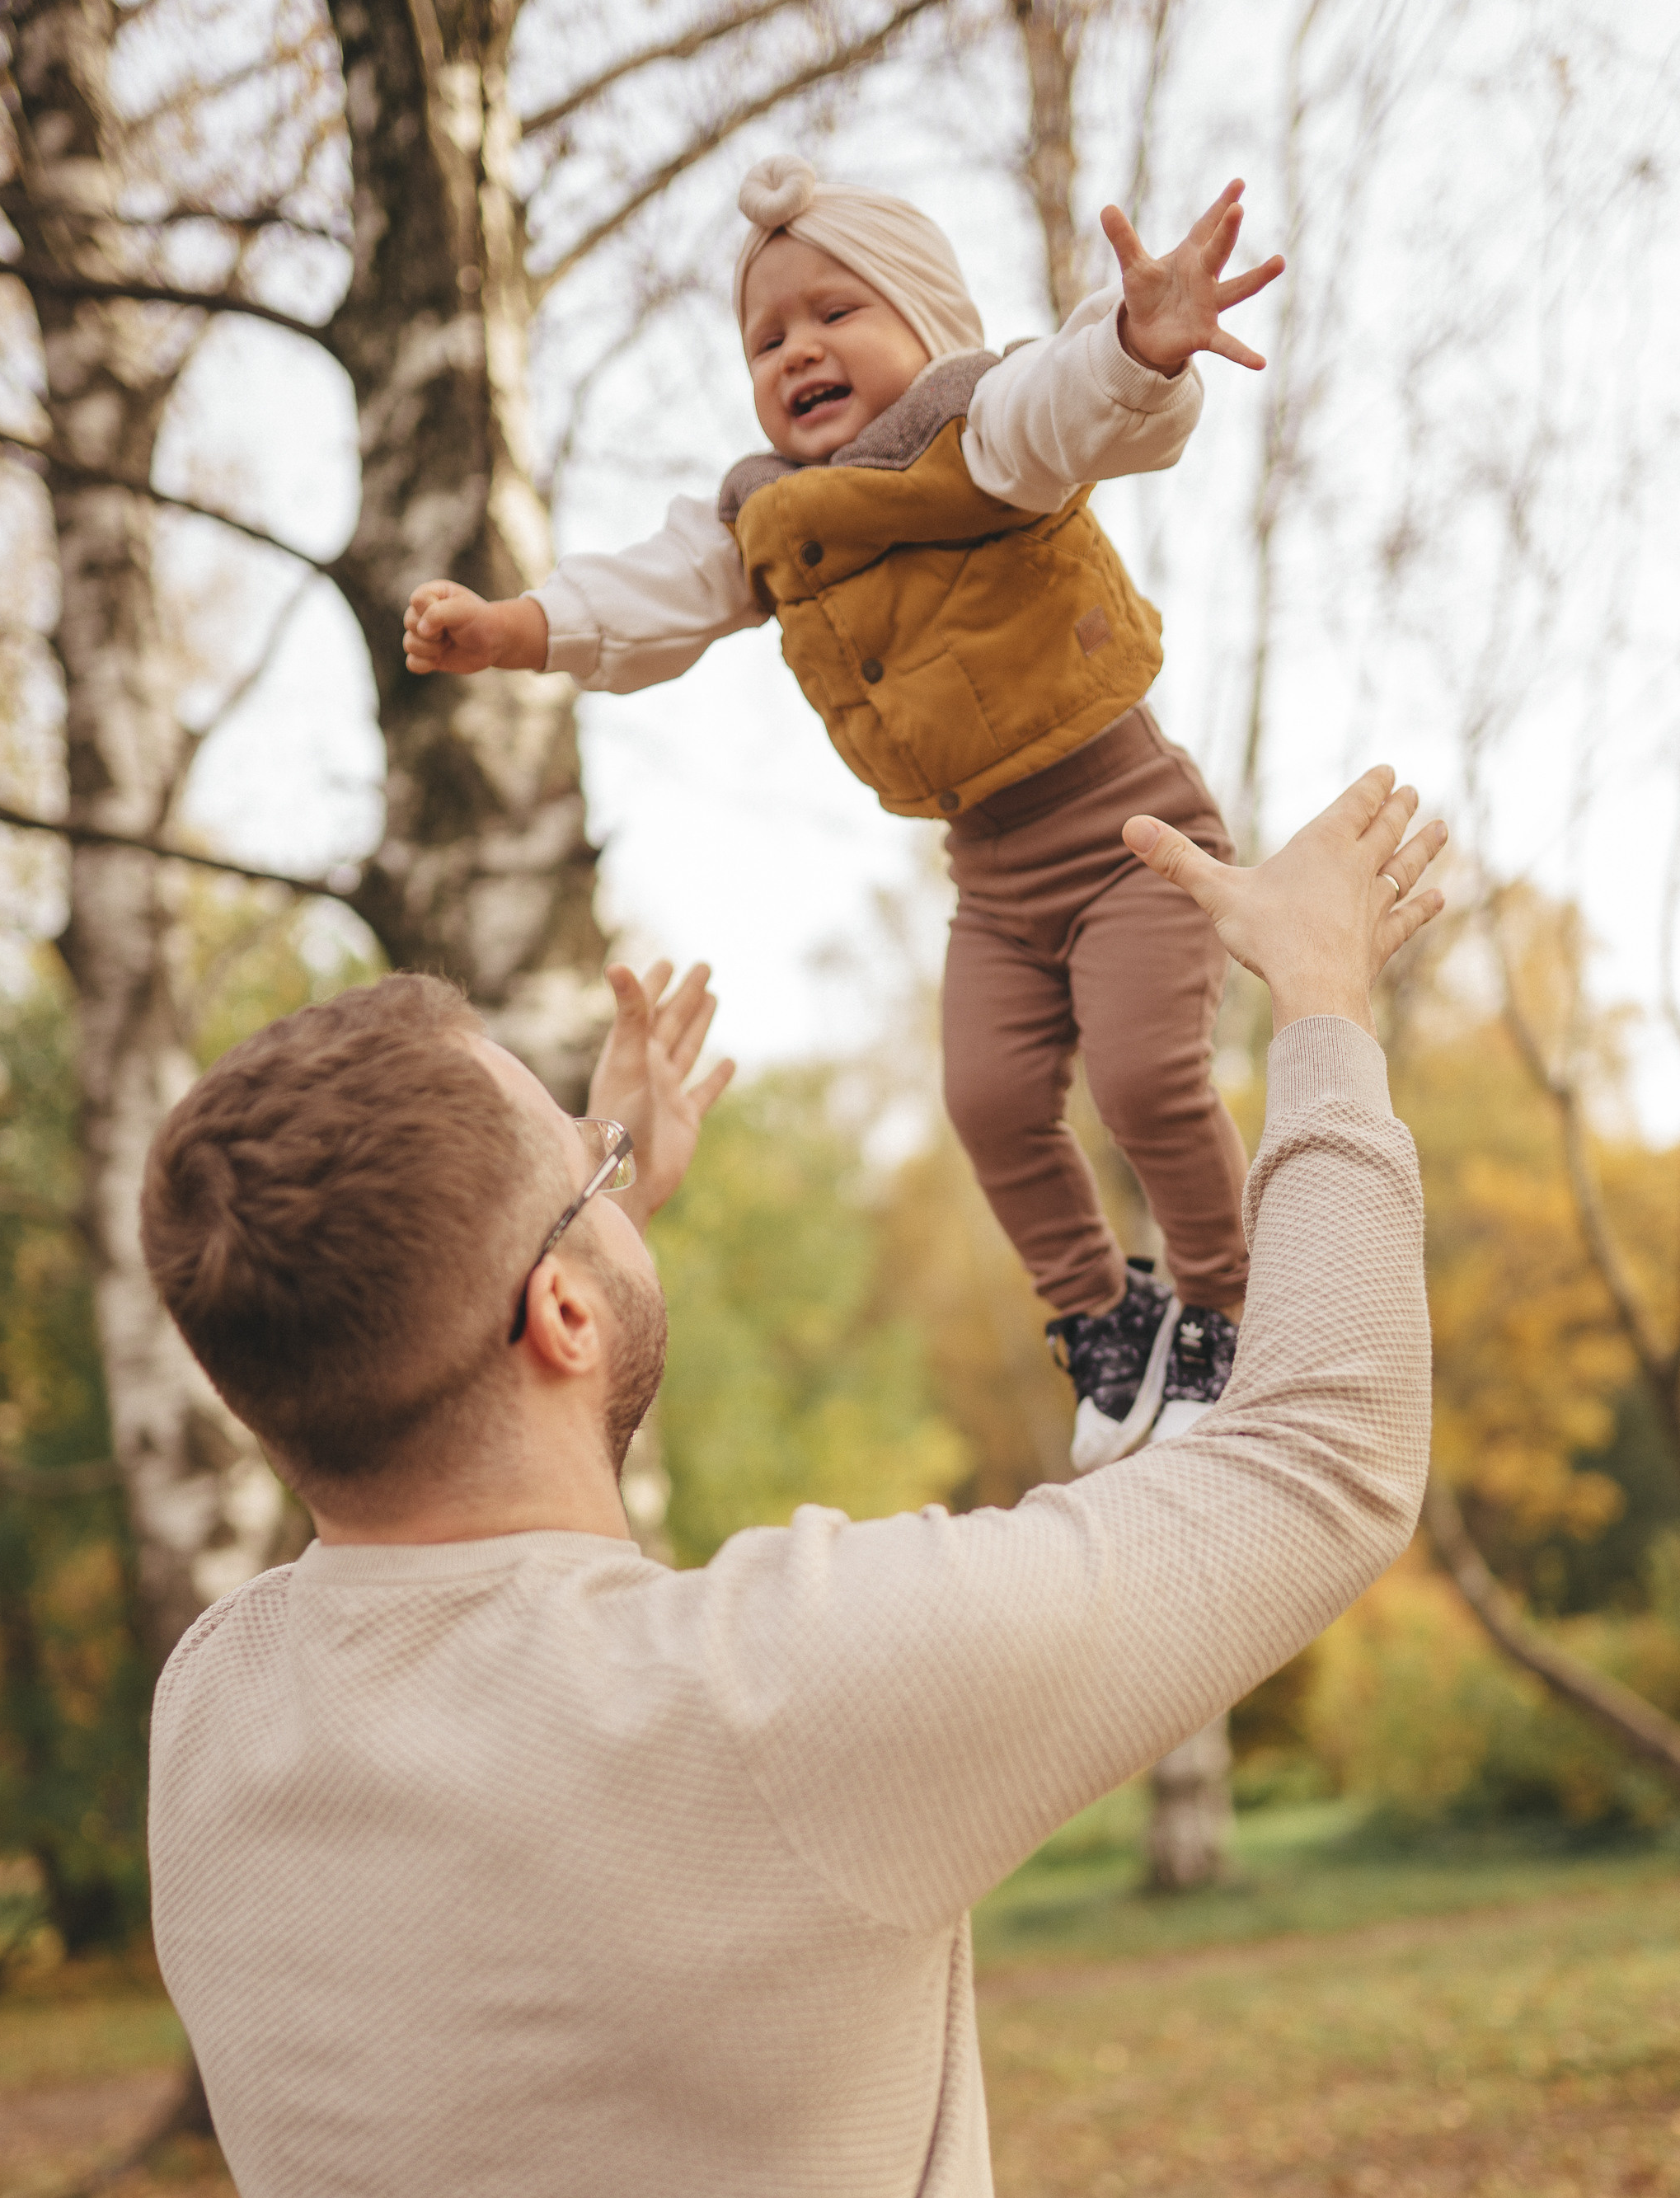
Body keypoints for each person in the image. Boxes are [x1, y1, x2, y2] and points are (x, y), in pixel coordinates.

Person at [141, 767, 1442, 2198]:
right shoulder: (786, 1708)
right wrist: (1319, 1003)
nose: (613, 1181)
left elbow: (496, 1577)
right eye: (587, 1188)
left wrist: (569, 1197)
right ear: (565, 1315)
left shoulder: (220, 1715)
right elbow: (1317, 1461)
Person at [402, 154, 1287, 1474]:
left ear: (925, 326)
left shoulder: (976, 428)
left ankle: (1222, 1307)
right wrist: (514, 633)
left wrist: (1134, 345)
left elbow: (1072, 406)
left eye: (835, 314)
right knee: (989, 1102)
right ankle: (1106, 1322)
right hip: (989, 878)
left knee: (1145, 1075)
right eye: (766, 337)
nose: (796, 351)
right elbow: (652, 596)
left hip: (1129, 835)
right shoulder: (767, 517)